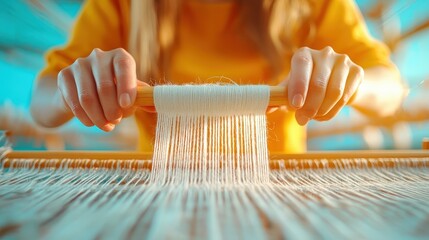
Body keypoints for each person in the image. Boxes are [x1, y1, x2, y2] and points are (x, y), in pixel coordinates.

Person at [30, 0, 404, 153]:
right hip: (160, 198)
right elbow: (42, 103)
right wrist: (72, 90)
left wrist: (351, 82)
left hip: (282, 196)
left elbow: (390, 87)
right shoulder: (121, 5)